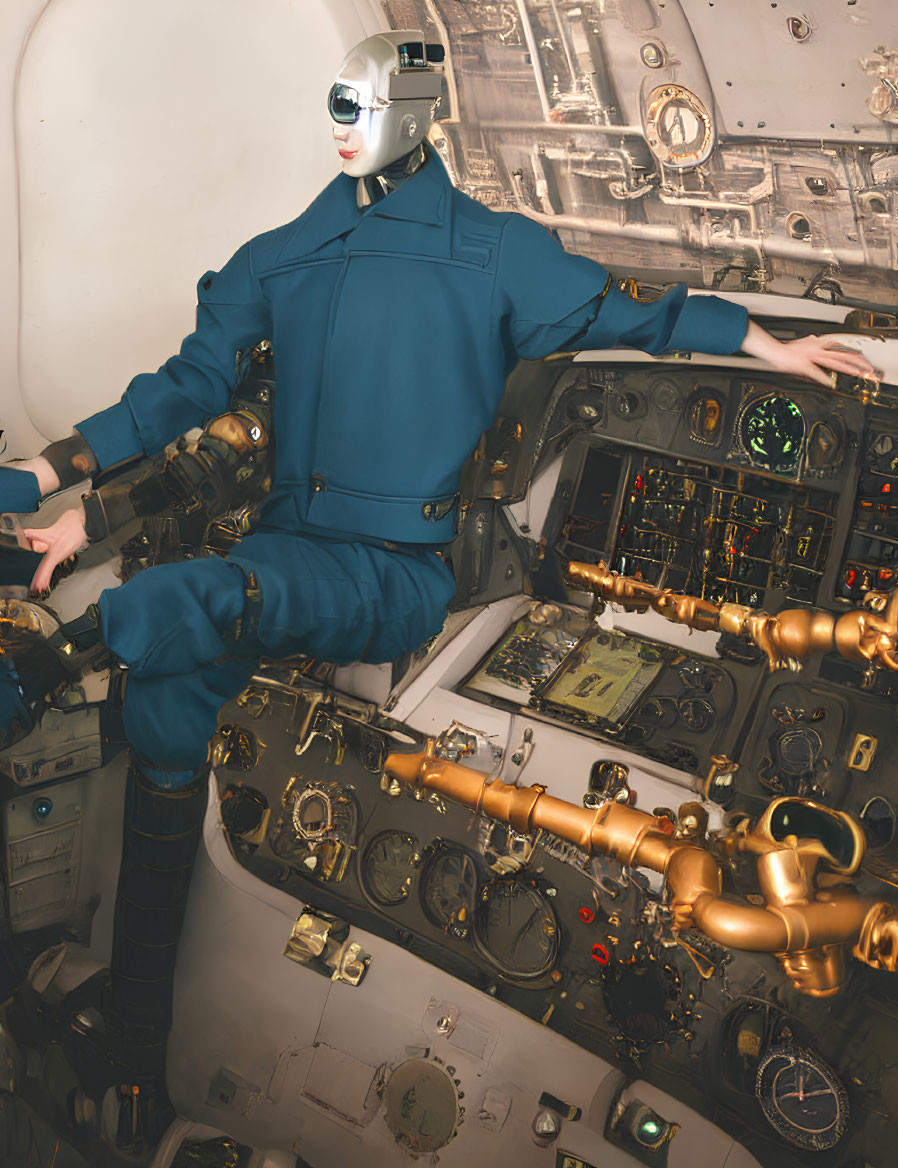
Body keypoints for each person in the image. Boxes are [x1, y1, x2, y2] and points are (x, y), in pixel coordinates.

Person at [0, 27, 877, 1150]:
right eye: (333, 101)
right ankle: (132, 1057)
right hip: (288, 545)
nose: (338, 122)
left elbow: (638, 312)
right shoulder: (286, 251)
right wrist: (48, 473)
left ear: (413, 113)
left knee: (209, 595)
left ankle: (42, 671)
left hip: (390, 575)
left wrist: (773, 345)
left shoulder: (494, 251)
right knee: (174, 696)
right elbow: (182, 388)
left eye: (355, 105)